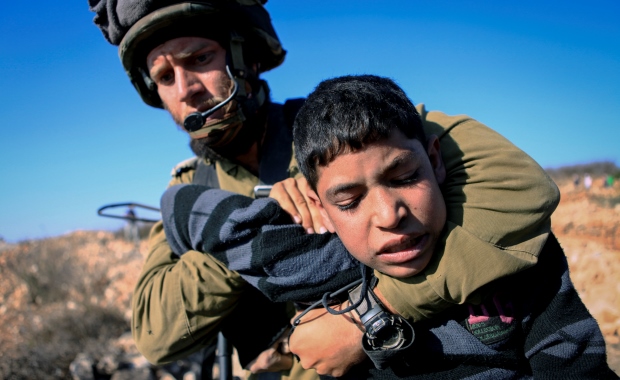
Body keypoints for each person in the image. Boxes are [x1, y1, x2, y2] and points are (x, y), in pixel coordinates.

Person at [89, 0, 560, 378]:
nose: (186, 87)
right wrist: (246, 233)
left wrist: (373, 314)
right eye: (165, 77)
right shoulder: (190, 194)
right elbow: (154, 332)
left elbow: (515, 185)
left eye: (200, 59)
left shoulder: (332, 129)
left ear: (244, 56)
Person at [158, 75, 617, 378]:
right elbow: (180, 205)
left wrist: (370, 314)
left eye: (404, 177)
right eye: (350, 200)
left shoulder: (513, 261)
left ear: (435, 161)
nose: (388, 214)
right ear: (317, 205)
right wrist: (276, 198)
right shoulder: (321, 260)